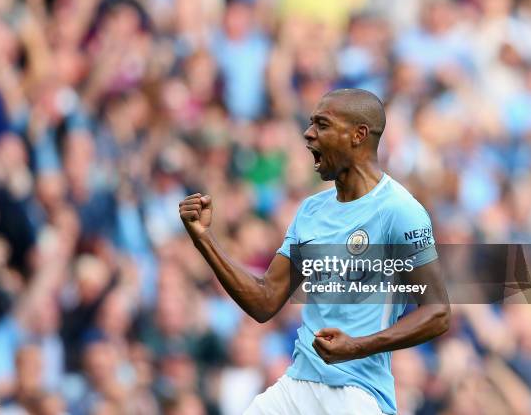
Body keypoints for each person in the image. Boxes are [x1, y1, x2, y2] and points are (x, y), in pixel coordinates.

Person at [178, 88, 450, 414]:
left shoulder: (399, 210)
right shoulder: (311, 210)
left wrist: (356, 347)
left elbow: (437, 313)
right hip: (297, 387)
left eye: (322, 125)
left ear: (358, 135)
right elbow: (265, 301)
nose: (308, 134)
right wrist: (204, 239)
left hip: (355, 392)